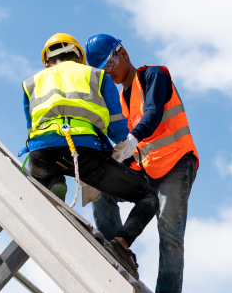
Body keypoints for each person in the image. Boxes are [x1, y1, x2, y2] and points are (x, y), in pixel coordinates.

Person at [21, 33, 157, 276]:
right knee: (148, 197)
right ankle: (121, 244)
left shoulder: (31, 82)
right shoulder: (97, 76)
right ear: (80, 58)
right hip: (85, 152)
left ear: (47, 61)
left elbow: (31, 126)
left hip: (42, 149)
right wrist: (123, 147)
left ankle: (53, 182)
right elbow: (117, 126)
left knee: (40, 163)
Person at [84, 34, 198, 293]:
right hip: (147, 168)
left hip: (176, 164)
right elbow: (131, 144)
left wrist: (133, 139)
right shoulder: (121, 99)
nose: (109, 74)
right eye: (104, 72)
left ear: (122, 53)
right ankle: (118, 251)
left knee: (169, 231)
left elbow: (154, 112)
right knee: (101, 191)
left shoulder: (153, 76)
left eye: (109, 66)